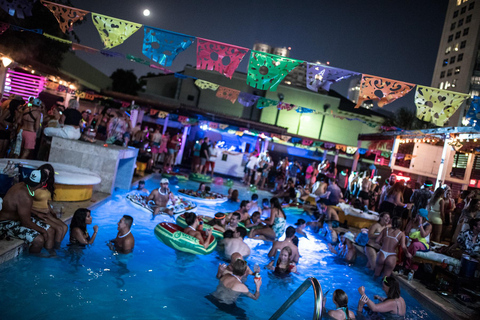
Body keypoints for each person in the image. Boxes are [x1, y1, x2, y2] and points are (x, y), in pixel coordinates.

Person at [0, 169, 55, 253]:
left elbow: (20, 207)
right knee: (39, 240)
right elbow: (26, 222)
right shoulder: (25, 196)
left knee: (50, 230)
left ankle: (49, 256)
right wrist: (43, 231)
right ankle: (34, 260)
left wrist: (36, 213)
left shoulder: (23, 185)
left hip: (18, 219)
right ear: (43, 183)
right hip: (5, 223)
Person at [31, 163, 68, 249]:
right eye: (44, 174)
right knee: (58, 229)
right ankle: (52, 251)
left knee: (64, 227)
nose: (46, 177)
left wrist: (52, 211)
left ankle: (55, 248)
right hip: (37, 213)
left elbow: (46, 202)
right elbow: (26, 203)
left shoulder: (47, 186)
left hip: (46, 213)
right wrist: (37, 212)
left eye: (48, 175)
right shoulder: (34, 185)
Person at [403, 208, 432, 273]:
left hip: (423, 243)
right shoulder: (412, 221)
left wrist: (420, 224)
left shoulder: (428, 225)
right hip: (411, 240)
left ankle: (407, 266)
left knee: (414, 245)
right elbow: (407, 232)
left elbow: (423, 235)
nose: (417, 216)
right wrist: (407, 238)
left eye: (419, 216)